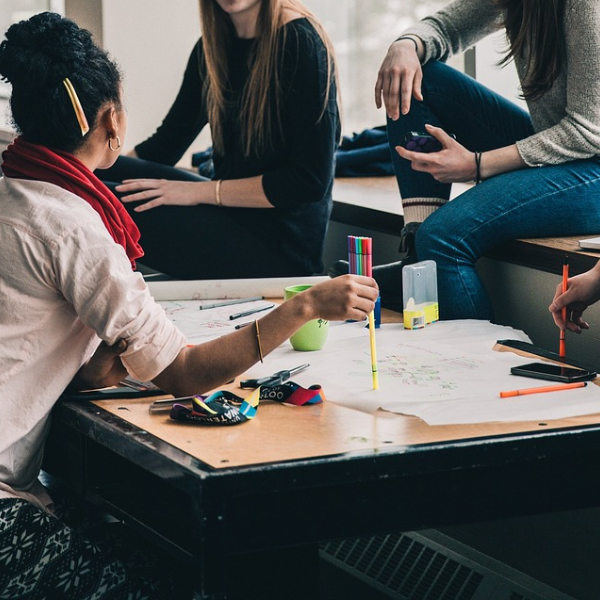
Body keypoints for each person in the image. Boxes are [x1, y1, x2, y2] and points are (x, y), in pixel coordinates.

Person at [0, 12, 377, 599]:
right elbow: (184, 374)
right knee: (176, 574)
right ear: (110, 119)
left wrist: (111, 355)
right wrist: (304, 307)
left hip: (278, 241)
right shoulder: (76, 231)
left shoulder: (13, 193)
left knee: (134, 536)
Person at [331, 0, 600, 318]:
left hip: (591, 170)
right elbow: (445, 27)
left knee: (443, 238)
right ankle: (417, 259)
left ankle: (474, 362)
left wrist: (477, 163)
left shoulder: (583, 5)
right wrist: (405, 44)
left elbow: (588, 131)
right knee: (423, 77)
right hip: (559, 153)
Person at [97, 0, 339, 281]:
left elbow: (308, 182)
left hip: (280, 248)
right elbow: (164, 146)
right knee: (86, 174)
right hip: (231, 213)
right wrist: (83, 168)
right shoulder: (211, 47)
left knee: (98, 201)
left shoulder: (301, 43)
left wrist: (195, 193)